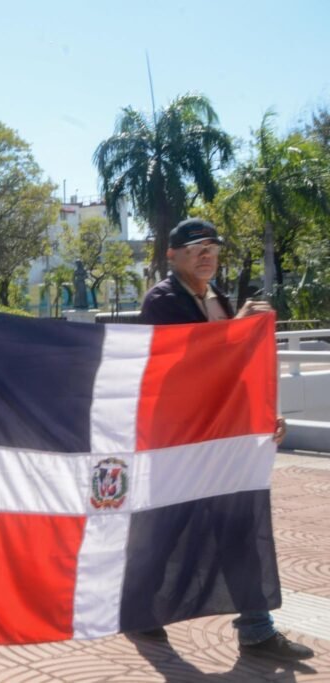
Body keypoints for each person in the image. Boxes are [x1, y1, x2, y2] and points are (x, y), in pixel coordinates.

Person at [137, 217, 312, 662]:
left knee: (238, 526)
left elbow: (235, 371)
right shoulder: (162, 301)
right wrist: (240, 328)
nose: (206, 255)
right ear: (172, 256)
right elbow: (190, 362)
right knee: (166, 529)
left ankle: (256, 629)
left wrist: (264, 414)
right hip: (177, 440)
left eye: (212, 247)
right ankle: (140, 606)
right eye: (195, 247)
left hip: (220, 437)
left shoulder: (217, 297)